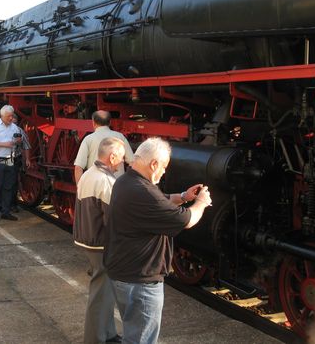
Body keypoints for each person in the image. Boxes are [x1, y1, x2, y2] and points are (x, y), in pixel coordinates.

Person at [104, 137, 212, 344]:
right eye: (163, 167)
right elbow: (186, 220)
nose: (164, 171)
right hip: (140, 280)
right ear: (154, 164)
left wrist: (183, 196)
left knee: (132, 333)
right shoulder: (143, 191)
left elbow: (159, 200)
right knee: (141, 339)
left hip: (123, 273)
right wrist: (201, 203)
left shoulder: (126, 181)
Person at [74, 137, 126, 344]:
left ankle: (108, 334)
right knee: (100, 293)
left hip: (89, 238)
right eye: (121, 158)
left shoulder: (89, 174)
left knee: (105, 292)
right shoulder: (106, 181)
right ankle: (95, 339)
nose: (122, 162)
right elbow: (113, 218)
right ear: (112, 157)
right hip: (101, 242)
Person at [74, 110, 134, 183]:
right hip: (117, 187)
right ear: (109, 122)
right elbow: (132, 162)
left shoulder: (88, 139)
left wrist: (80, 189)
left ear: (93, 122)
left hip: (96, 186)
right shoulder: (120, 137)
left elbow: (78, 168)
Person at [10, 114, 31, 213]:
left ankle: (13, 204)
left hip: (15, 158)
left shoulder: (20, 131)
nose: (13, 123)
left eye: (15, 122)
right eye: (12, 121)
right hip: (3, 158)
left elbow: (26, 145)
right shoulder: (1, 130)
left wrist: (27, 159)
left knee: (13, 182)